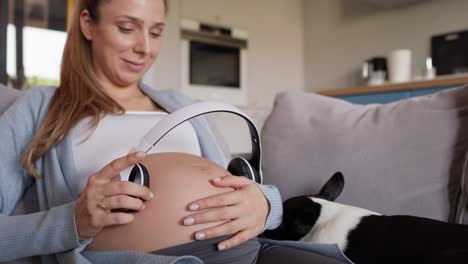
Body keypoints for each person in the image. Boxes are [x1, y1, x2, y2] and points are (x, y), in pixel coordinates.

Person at [0, 0, 350, 263]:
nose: (145, 48)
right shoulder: (41, 107)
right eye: (127, 28)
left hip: (242, 251)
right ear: (88, 25)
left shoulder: (181, 105)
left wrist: (265, 204)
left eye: (155, 32)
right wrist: (69, 222)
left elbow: (245, 188)